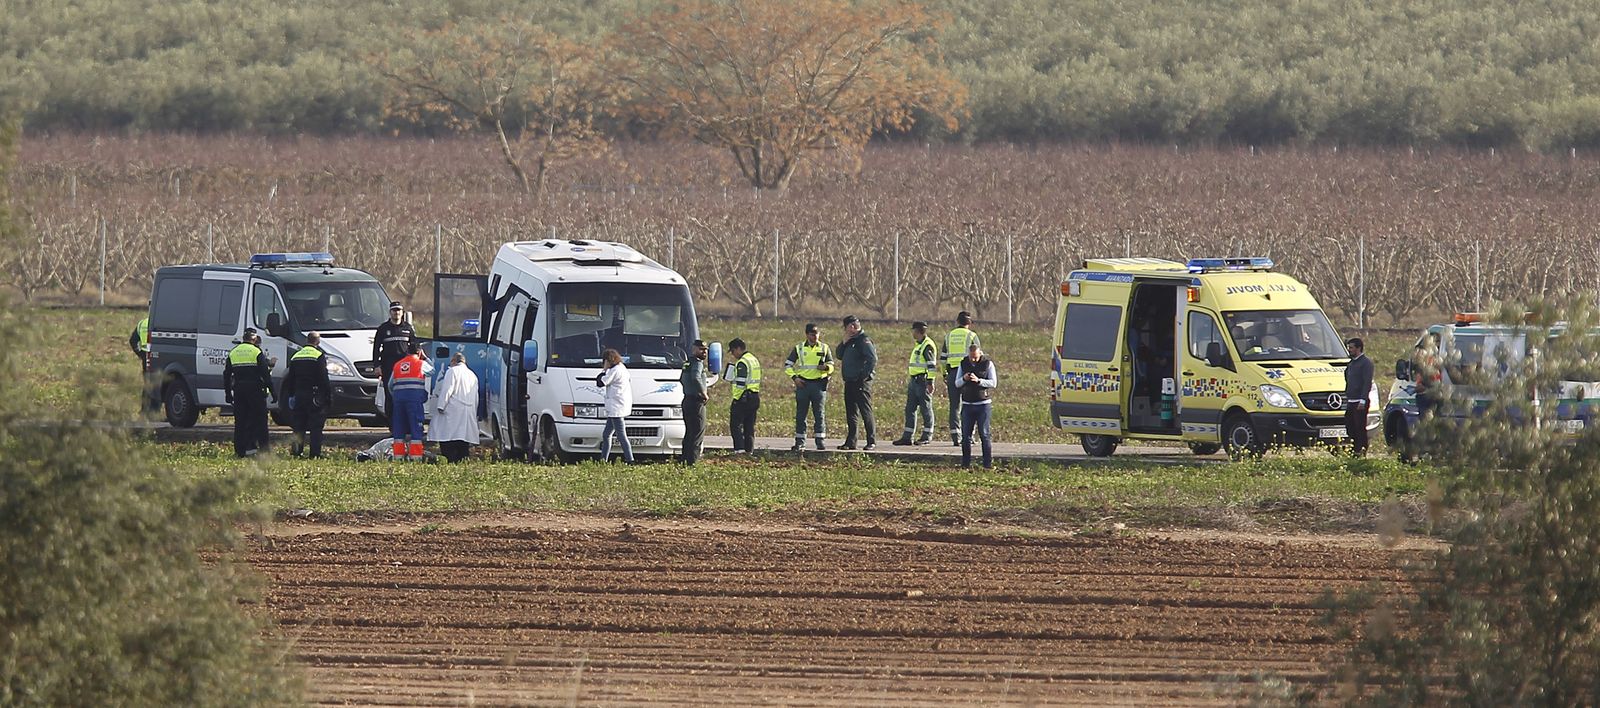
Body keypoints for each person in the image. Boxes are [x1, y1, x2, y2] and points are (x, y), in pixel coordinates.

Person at [784, 322, 836, 451]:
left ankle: (820, 441)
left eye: (817, 334)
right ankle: (800, 442)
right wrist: (794, 378)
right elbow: (788, 365)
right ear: (807, 335)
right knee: (801, 414)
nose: (815, 337)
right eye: (812, 334)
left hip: (818, 384)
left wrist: (826, 368)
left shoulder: (824, 348)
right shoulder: (799, 348)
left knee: (819, 413)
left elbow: (832, 365)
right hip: (803, 384)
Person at [223, 328, 274, 458]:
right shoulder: (256, 352)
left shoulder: (233, 352)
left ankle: (240, 451)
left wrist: (228, 394)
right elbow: (265, 374)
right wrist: (273, 392)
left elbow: (227, 375)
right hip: (255, 391)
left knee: (240, 422)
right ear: (254, 339)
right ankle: (264, 450)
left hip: (239, 391)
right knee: (260, 420)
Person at [284, 332, 332, 458]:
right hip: (313, 395)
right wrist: (327, 395)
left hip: (299, 394)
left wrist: (291, 395)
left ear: (307, 340)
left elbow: (291, 378)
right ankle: (314, 454)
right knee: (316, 426)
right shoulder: (318, 355)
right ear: (317, 342)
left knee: (298, 425)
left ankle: (296, 451)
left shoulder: (296, 356)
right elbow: (323, 377)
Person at [429, 352, 480, 463]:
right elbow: (476, 396)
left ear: (453, 361)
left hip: (453, 410)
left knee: (448, 437)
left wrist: (441, 405)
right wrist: (474, 411)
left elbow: (448, 389)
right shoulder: (472, 375)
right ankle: (462, 461)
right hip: (468, 411)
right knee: (462, 439)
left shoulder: (452, 371)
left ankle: (450, 460)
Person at [836, 315, 878, 450]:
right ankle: (851, 441)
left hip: (860, 382)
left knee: (865, 411)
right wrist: (843, 342)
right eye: (847, 327)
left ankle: (871, 440)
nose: (848, 329)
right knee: (851, 412)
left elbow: (872, 359)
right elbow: (839, 355)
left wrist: (864, 376)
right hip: (849, 381)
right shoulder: (849, 340)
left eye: (850, 326)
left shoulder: (863, 340)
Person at [895, 321, 939, 445]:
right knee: (910, 409)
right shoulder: (919, 344)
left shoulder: (927, 345)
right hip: (914, 380)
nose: (912, 333)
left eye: (913, 330)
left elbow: (931, 366)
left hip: (923, 381)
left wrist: (930, 382)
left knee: (926, 409)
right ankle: (908, 436)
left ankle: (927, 435)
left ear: (918, 331)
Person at [942, 311, 981, 446]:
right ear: (969, 323)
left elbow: (943, 358)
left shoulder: (949, 336)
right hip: (967, 373)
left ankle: (955, 437)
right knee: (970, 404)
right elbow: (978, 356)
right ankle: (969, 436)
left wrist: (944, 374)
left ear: (957, 322)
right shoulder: (972, 336)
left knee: (954, 406)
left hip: (952, 373)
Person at [957, 343, 997, 469]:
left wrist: (979, 381)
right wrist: (964, 378)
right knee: (965, 436)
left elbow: (993, 383)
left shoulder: (988, 364)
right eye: (971, 357)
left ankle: (987, 464)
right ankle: (965, 464)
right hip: (967, 404)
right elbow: (957, 383)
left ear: (980, 354)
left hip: (983, 405)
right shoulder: (963, 363)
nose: (973, 360)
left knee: (984, 434)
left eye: (975, 357)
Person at [373, 301, 415, 419]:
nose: (396, 313)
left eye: (399, 310)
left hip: (405, 368)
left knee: (404, 394)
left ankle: (405, 425)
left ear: (402, 313)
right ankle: (392, 425)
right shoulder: (383, 329)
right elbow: (376, 348)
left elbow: (414, 347)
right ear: (390, 312)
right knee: (390, 395)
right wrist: (377, 365)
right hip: (388, 366)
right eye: (394, 310)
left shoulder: (408, 328)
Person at [388, 342, 430, 461]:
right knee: (416, 429)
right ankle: (416, 458)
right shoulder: (422, 364)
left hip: (398, 401)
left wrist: (398, 396)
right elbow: (433, 370)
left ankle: (398, 457)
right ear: (419, 352)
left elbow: (390, 385)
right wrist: (426, 358)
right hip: (414, 401)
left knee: (399, 429)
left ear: (407, 352)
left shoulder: (397, 365)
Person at [678, 340, 718, 464]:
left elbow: (682, 379)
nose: (704, 352)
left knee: (689, 433)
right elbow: (695, 378)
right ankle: (692, 462)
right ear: (694, 349)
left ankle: (685, 460)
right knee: (697, 433)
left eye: (706, 350)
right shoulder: (697, 363)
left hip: (687, 400)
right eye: (701, 349)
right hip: (696, 402)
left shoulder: (687, 363)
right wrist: (703, 393)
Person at [597, 348, 635, 464]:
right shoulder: (622, 368)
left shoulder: (614, 371)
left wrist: (604, 370)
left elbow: (600, 382)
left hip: (616, 407)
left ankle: (630, 459)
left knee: (621, 435)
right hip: (617, 406)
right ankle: (603, 459)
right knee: (606, 434)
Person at [726, 338, 761, 454]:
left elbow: (741, 384)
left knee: (736, 425)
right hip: (755, 396)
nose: (732, 354)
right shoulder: (753, 359)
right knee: (749, 427)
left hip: (744, 398)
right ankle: (749, 451)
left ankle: (739, 451)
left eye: (732, 351)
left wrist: (737, 399)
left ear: (738, 349)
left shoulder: (742, 362)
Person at [1344, 337, 1374, 457]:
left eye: (1351, 348)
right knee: (1350, 426)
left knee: (1359, 427)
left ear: (1358, 348)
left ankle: (1361, 450)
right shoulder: (1351, 363)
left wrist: (1363, 399)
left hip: (1360, 401)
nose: (1349, 350)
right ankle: (1354, 447)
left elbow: (1367, 382)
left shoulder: (1366, 363)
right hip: (1351, 400)